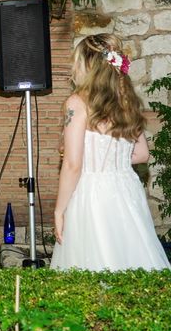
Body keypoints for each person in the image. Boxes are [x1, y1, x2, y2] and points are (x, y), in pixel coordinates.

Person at [51, 34, 170, 271]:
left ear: (87, 63)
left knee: (91, 267)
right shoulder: (128, 102)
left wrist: (59, 210)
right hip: (126, 189)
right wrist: (111, 159)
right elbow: (142, 154)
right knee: (132, 262)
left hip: (92, 192)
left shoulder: (77, 102)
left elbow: (73, 164)